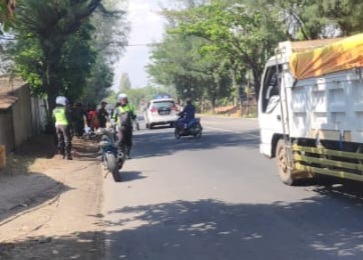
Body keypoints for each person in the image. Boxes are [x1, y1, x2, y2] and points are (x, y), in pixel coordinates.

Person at [113, 93, 136, 159]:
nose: (124, 101)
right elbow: (114, 117)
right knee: (121, 140)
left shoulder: (130, 106)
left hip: (129, 126)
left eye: (125, 99)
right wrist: (113, 124)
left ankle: (127, 154)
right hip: (121, 127)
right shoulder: (117, 108)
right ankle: (120, 153)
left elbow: (134, 116)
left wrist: (134, 118)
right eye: (122, 100)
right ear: (119, 100)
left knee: (129, 141)